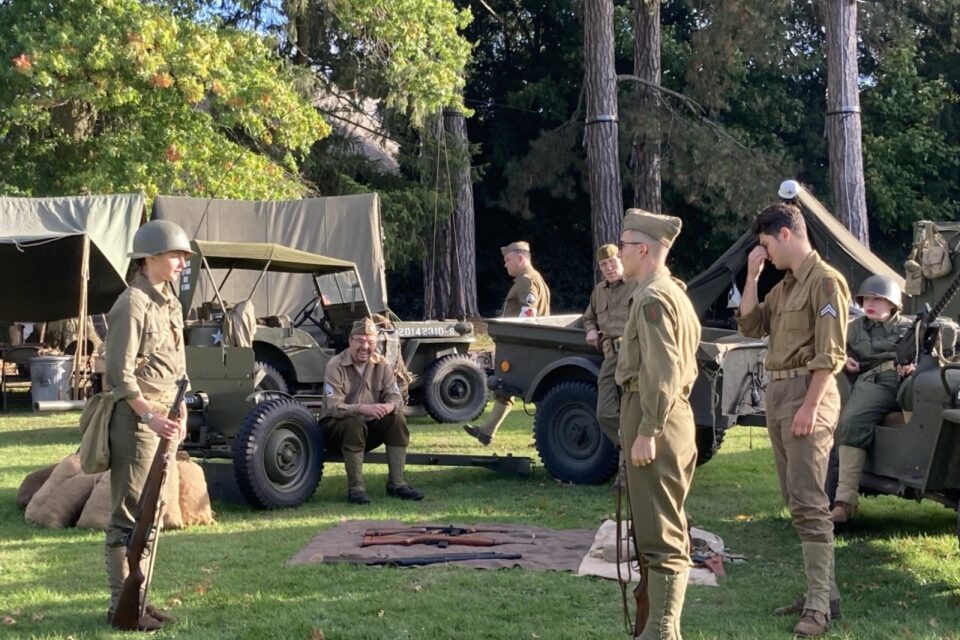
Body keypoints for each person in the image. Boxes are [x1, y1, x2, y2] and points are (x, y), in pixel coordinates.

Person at [736, 203, 850, 637]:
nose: (764, 252)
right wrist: (751, 276)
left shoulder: (825, 283)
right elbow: (750, 325)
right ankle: (827, 593)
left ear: (786, 234)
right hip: (780, 391)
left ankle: (818, 606)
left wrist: (810, 407)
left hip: (808, 392)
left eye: (765, 244)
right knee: (794, 496)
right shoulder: (783, 287)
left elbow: (831, 354)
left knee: (808, 500)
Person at [615, 209, 701, 640]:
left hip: (657, 418)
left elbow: (663, 372)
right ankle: (655, 626)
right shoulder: (670, 293)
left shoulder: (652, 298)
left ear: (643, 249)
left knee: (661, 534)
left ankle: (662, 632)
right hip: (667, 416)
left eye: (624, 247)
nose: (619, 254)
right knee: (656, 525)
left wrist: (647, 430)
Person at [103, 219, 192, 631]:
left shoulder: (169, 301)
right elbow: (120, 378)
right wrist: (151, 417)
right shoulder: (132, 304)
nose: (181, 262)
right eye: (175, 255)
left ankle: (140, 600)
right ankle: (121, 606)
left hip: (166, 420)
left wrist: (181, 414)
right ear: (150, 257)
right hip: (139, 422)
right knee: (128, 518)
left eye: (183, 256)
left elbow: (177, 368)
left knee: (153, 515)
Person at [832, 275, 913, 523]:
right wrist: (843, 358)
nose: (870, 304)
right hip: (875, 380)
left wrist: (915, 366)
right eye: (867, 298)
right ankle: (845, 501)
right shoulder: (854, 327)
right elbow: (829, 343)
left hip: (907, 380)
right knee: (853, 420)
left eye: (878, 299)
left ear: (892, 304)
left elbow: (934, 353)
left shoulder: (910, 328)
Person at [321, 318, 424, 504]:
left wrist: (389, 406)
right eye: (360, 340)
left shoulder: (381, 364)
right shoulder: (335, 365)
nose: (365, 346)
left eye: (370, 342)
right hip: (336, 431)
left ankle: (397, 484)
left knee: (397, 419)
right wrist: (362, 408)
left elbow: (395, 396)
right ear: (350, 341)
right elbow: (333, 407)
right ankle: (356, 489)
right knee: (354, 422)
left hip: (368, 430)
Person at [463, 241, 551, 445]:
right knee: (506, 388)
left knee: (523, 388)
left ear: (521, 258)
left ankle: (544, 438)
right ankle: (487, 431)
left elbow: (528, 314)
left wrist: (513, 334)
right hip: (528, 344)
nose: (505, 265)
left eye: (508, 260)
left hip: (524, 345)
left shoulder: (527, 281)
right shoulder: (533, 279)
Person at [582, 243, 632, 447]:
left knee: (636, 410)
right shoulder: (600, 291)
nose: (609, 268)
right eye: (603, 265)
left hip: (635, 354)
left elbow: (673, 287)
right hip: (611, 357)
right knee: (604, 413)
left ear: (621, 259)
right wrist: (591, 329)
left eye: (612, 262)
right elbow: (588, 317)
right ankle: (627, 448)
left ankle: (631, 460)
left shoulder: (638, 282)